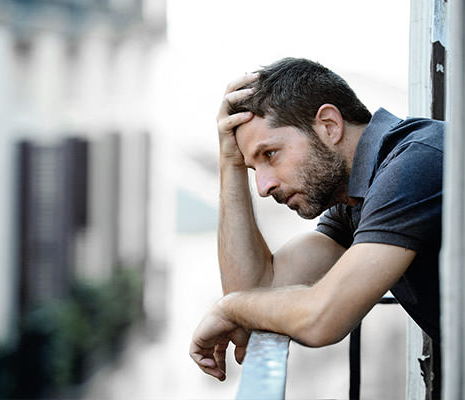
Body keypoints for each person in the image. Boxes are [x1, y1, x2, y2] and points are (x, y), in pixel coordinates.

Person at [189, 58, 444, 386]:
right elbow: (257, 290)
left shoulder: (413, 165)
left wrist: (229, 308)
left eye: (270, 154)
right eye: (253, 169)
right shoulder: (356, 201)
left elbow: (322, 319)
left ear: (329, 125)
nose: (264, 187)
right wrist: (230, 162)